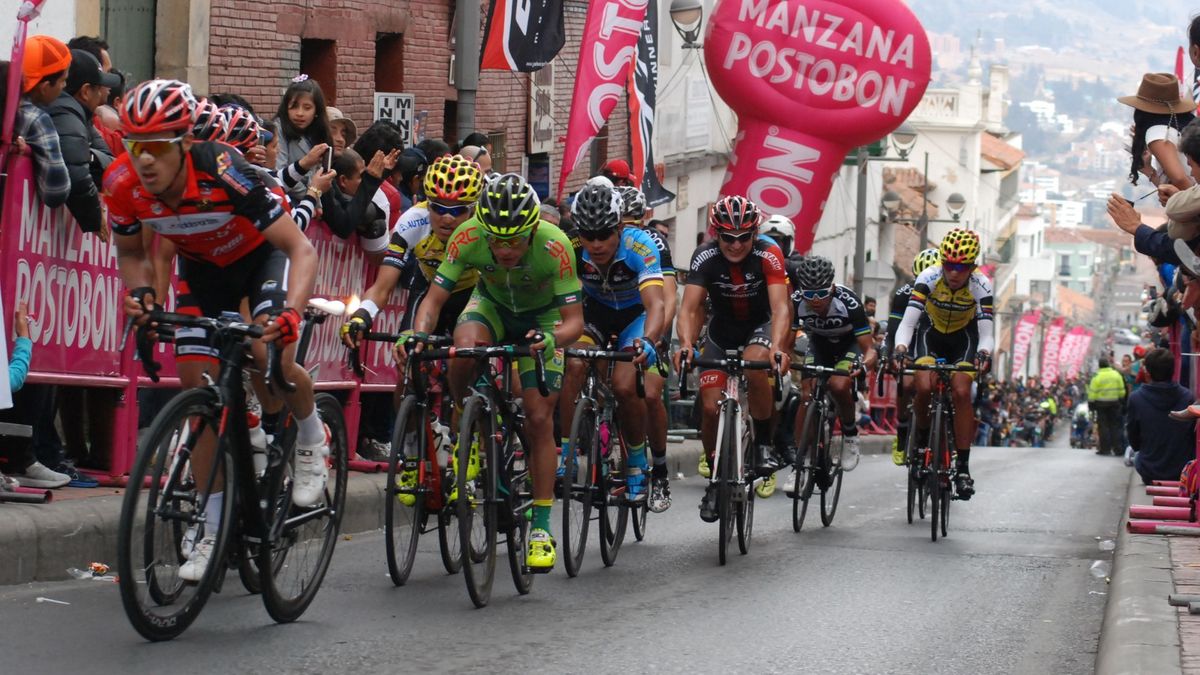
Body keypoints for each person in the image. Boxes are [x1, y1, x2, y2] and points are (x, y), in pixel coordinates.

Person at [104, 79, 324, 582]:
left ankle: (313, 435)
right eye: (135, 146)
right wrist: (142, 294)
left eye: (158, 147)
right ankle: (212, 525)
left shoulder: (225, 170)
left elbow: (300, 249)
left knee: (271, 357)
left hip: (260, 261)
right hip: (204, 273)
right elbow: (132, 251)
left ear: (186, 143)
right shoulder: (121, 183)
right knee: (197, 392)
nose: (145, 160)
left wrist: (291, 313)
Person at [406, 174, 582, 573]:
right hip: (491, 305)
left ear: (532, 230)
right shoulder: (468, 235)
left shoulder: (555, 245)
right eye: (496, 240)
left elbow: (575, 322)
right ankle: (465, 421)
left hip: (544, 317)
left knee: (539, 417)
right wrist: (419, 334)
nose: (504, 249)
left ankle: (540, 526)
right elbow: (434, 299)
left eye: (514, 241)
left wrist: (552, 339)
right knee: (463, 349)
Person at [674, 195, 792, 521]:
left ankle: (764, 444)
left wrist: (778, 346)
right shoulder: (705, 256)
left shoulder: (769, 253)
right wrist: (686, 344)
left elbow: (781, 307)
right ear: (717, 234)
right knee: (709, 407)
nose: (736, 245)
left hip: (759, 326)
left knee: (756, 366)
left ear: (754, 234)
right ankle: (716, 477)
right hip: (721, 330)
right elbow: (690, 308)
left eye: (743, 237)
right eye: (728, 237)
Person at [557, 183, 667, 507]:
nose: (595, 244)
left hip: (636, 317)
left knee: (624, 385)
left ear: (619, 226)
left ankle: (637, 462)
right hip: (594, 315)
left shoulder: (640, 245)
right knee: (574, 363)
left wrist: (649, 340)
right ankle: (567, 453)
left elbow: (656, 304)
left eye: (604, 234)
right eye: (588, 235)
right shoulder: (571, 246)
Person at [893, 229, 994, 500]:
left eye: (961, 267)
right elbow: (908, 323)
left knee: (961, 391)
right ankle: (921, 442)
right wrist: (901, 348)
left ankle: (962, 468)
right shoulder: (929, 276)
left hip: (964, 338)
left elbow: (986, 333)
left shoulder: (981, 284)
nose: (954, 273)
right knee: (924, 386)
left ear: (972, 266)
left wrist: (984, 353)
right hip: (931, 334)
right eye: (949, 265)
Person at [787, 255, 877, 487]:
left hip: (849, 345)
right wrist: (782, 360)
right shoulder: (795, 301)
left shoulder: (849, 302)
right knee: (806, 396)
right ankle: (799, 463)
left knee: (838, 385)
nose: (815, 300)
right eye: (809, 294)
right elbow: (787, 341)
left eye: (821, 293)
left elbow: (869, 349)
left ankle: (850, 433)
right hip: (819, 344)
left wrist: (863, 365)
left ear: (832, 288)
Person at [46, 49, 119, 236]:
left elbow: (111, 166)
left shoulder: (82, 116)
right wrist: (94, 219)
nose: (104, 92)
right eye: (99, 87)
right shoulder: (66, 115)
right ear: (86, 91)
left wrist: (90, 156)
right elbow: (76, 174)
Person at [886, 247, 941, 464]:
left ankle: (946, 430)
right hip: (909, 341)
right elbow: (893, 329)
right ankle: (902, 431)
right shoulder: (904, 294)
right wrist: (891, 353)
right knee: (907, 383)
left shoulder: (949, 294)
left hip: (935, 341)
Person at [15, 35, 71, 209]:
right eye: (63, 80)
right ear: (45, 87)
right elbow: (56, 191)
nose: (64, 86)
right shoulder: (37, 120)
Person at [1118, 73, 1195, 191]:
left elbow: (1180, 180)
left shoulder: (1156, 134)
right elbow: (1173, 189)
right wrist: (1148, 170)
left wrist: (1191, 201)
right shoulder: (1187, 121)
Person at [1126, 349, 1194, 483]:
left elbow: (1134, 440)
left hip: (1149, 470)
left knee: (1136, 455)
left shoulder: (1136, 398)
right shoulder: (1188, 397)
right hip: (1182, 471)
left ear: (1148, 372)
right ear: (1173, 370)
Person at [274, 75, 333, 197]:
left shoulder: (319, 132)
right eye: (294, 106)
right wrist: (309, 195)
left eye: (307, 108)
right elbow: (278, 173)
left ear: (317, 110)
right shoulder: (278, 129)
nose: (299, 113)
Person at [1087, 356, 1127, 456]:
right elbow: (1122, 391)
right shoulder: (1116, 375)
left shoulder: (1097, 377)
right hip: (1115, 404)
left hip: (1101, 405)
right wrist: (1120, 399)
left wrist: (1091, 404)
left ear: (1099, 366)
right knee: (1115, 426)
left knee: (1103, 427)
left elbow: (1092, 393)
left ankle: (1105, 449)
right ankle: (1118, 449)